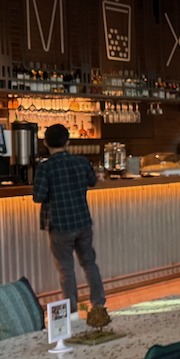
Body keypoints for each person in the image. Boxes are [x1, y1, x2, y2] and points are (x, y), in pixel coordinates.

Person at [32, 123, 107, 310]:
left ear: (45, 143)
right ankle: (98, 304)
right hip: (82, 221)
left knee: (66, 269)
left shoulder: (45, 167)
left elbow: (38, 196)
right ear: (67, 142)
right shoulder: (82, 162)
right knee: (89, 263)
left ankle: (72, 310)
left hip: (60, 224)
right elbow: (93, 182)